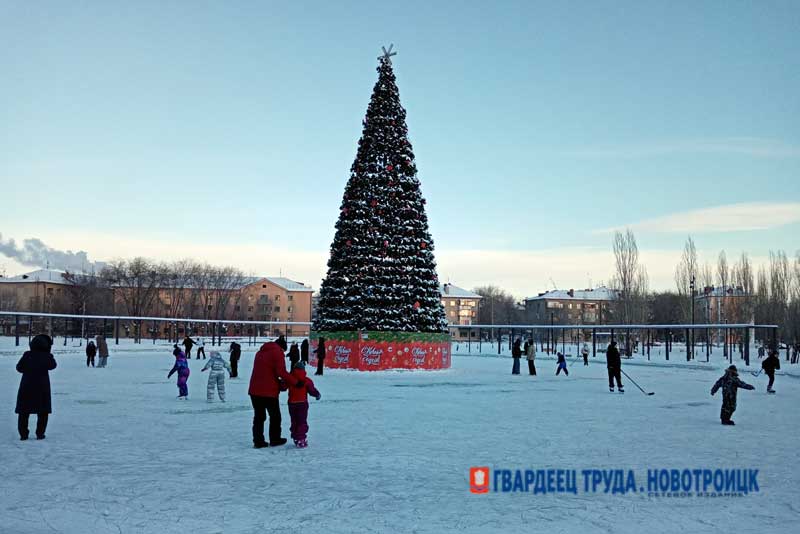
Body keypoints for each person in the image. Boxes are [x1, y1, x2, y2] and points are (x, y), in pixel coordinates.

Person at [248, 341, 299, 448]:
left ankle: (258, 441)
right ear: (282, 348)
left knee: (259, 417)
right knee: (275, 416)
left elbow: (266, 371)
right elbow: (281, 372)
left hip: (254, 390)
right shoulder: (277, 352)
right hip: (269, 391)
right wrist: (295, 382)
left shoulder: (260, 352)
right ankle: (275, 439)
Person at [15, 334, 57, 440]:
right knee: (43, 411)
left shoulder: (27, 355)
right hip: (42, 387)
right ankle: (40, 433)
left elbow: (19, 368)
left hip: (26, 386)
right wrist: (48, 354)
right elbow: (53, 366)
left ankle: (23, 434)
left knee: (24, 411)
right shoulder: (46, 356)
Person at [281, 361, 321, 448]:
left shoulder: (290, 379)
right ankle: (301, 438)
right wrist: (317, 394)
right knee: (302, 421)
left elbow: (283, 387)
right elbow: (312, 390)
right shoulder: (307, 380)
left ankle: (296, 436)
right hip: (302, 403)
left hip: (292, 403)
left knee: (294, 421)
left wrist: (282, 381)